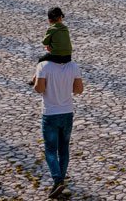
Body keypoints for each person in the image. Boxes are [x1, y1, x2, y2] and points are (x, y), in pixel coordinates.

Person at [35, 53, 85, 198]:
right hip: (67, 113)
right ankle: (61, 182)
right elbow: (79, 90)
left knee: (50, 150)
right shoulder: (73, 66)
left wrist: (36, 78)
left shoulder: (43, 66)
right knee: (64, 149)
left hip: (50, 114)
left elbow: (39, 89)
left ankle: (58, 180)